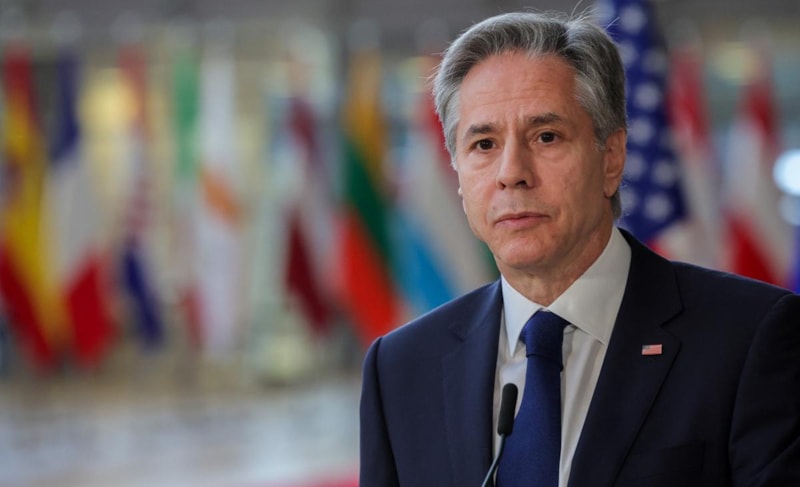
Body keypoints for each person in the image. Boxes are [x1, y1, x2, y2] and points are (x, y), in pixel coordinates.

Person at [359, 10, 800, 487]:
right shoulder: (400, 368)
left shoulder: (750, 338)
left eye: (546, 137)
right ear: (459, 178)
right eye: (484, 144)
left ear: (611, 158)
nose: (512, 172)